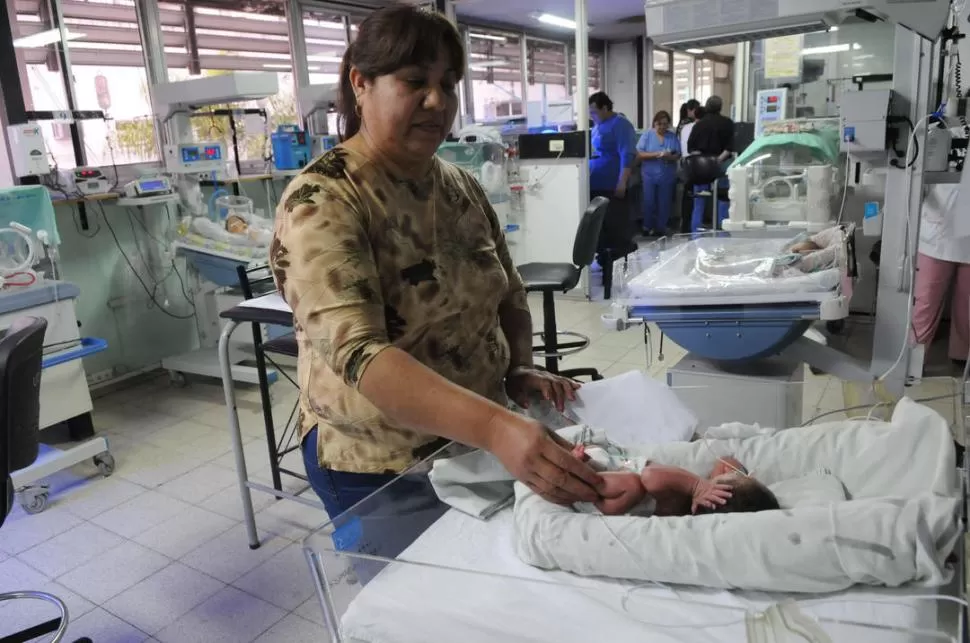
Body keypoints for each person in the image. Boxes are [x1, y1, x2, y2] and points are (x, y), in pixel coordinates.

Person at [269, 5, 604, 525]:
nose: (437, 101)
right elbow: (362, 355)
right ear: (361, 83)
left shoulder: (458, 185)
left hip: (470, 440)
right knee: (417, 601)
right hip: (381, 463)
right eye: (414, 81)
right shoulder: (324, 199)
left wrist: (516, 368)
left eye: (448, 83)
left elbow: (508, 292)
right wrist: (496, 427)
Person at [572, 445, 779, 517]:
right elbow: (726, 461)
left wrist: (697, 485)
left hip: (613, 493)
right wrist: (738, 476)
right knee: (628, 481)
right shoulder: (707, 497)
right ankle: (584, 470)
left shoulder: (682, 499)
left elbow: (649, 476)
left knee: (632, 485)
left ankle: (583, 472)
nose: (726, 469)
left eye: (731, 476)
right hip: (612, 466)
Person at [911, 183, 970, 370]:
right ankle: (912, 362)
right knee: (925, 302)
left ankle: (963, 356)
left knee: (967, 308)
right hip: (937, 230)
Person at [588, 92, 639, 297]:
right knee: (598, 227)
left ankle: (614, 262)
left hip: (613, 183)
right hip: (595, 183)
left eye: (594, 111)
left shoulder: (620, 124)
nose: (592, 115)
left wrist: (622, 181)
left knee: (614, 227)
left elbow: (627, 154)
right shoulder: (598, 126)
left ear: (605, 108)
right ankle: (601, 257)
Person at [687, 95, 735, 232]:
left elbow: (691, 148)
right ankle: (722, 232)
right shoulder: (728, 123)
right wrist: (717, 160)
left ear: (706, 107)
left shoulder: (699, 125)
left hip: (702, 168)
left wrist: (705, 161)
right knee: (723, 200)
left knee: (699, 201)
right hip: (723, 166)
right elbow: (730, 147)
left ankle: (696, 234)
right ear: (720, 107)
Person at [636, 110, 681, 236]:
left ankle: (661, 227)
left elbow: (677, 154)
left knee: (664, 202)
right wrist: (656, 154)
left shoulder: (672, 137)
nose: (662, 127)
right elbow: (639, 154)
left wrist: (669, 157)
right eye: (659, 124)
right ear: (654, 123)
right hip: (649, 174)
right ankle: (647, 226)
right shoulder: (647, 135)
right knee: (649, 201)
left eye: (665, 124)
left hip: (667, 175)